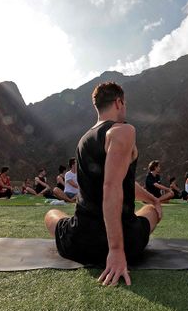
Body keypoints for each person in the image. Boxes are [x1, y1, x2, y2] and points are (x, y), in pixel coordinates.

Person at [44, 82, 162, 286]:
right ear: (118, 102)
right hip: (127, 243)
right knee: (151, 210)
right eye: (124, 104)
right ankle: (117, 244)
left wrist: (151, 197)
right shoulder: (123, 131)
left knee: (51, 215)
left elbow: (119, 182)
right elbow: (112, 187)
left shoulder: (83, 141)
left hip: (79, 243)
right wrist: (116, 250)